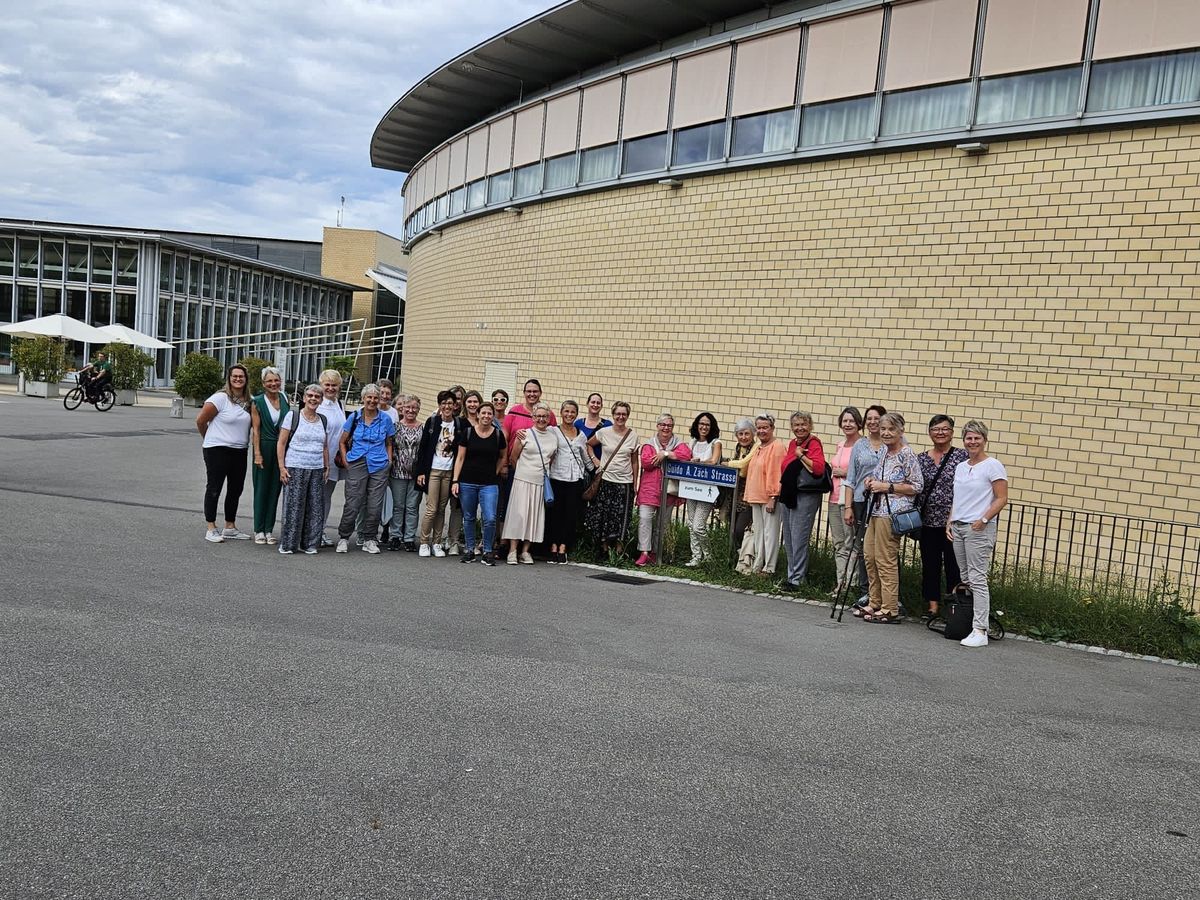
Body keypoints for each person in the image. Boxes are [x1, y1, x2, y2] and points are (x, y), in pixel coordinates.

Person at [856, 413, 923, 624]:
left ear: (901, 431)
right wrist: (871, 480)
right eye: (883, 429)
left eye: (891, 429)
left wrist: (888, 487)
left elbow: (917, 486)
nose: (886, 433)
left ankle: (890, 608)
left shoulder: (907, 454)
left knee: (885, 560)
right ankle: (874, 602)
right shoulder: (884, 451)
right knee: (870, 555)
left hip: (893, 512)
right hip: (876, 509)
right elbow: (878, 475)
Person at [947, 421, 1009, 648]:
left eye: (977, 438)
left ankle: (980, 629)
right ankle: (968, 621)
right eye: (968, 438)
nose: (972, 442)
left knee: (977, 578)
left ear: (984, 439)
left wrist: (983, 520)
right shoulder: (961, 466)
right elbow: (958, 497)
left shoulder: (993, 466)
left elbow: (1001, 497)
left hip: (978, 528)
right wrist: (950, 521)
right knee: (965, 577)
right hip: (959, 526)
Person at [917, 415, 969, 619]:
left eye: (945, 429)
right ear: (929, 432)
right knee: (930, 564)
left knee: (954, 565)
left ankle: (954, 605)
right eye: (935, 429)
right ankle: (932, 606)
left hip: (954, 520)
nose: (940, 432)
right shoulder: (921, 458)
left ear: (952, 432)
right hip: (928, 520)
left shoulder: (962, 457)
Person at [195, 364, 253, 543]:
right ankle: (211, 527)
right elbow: (201, 421)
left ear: (246, 379)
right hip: (217, 450)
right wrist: (210, 439)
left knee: (236, 489)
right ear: (229, 379)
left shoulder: (248, 401)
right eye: (234, 376)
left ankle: (230, 526)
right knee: (214, 487)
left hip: (240, 450)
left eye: (241, 376)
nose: (238, 379)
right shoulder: (220, 398)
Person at [335, 383, 395, 554]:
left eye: (375, 398)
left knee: (375, 505)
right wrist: (346, 460)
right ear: (363, 399)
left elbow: (389, 442)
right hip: (357, 462)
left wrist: (389, 461)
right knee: (353, 503)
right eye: (369, 397)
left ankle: (369, 538)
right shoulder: (354, 417)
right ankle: (344, 537)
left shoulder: (385, 419)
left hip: (379, 464)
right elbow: (342, 441)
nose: (372, 400)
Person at [841, 404, 887, 606]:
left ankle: (886, 594)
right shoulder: (860, 444)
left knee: (883, 550)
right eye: (869, 418)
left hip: (885, 503)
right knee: (863, 548)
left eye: (877, 418)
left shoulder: (892, 443)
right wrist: (848, 506)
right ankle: (865, 590)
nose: (873, 422)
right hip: (861, 501)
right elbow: (851, 478)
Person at [501, 402, 558, 564]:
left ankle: (525, 551)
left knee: (534, 517)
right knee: (518, 516)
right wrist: (524, 471)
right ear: (533, 417)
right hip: (522, 480)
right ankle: (512, 550)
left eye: (545, 416)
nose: (541, 419)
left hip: (540, 482)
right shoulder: (524, 434)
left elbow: (551, 458)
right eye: (538, 416)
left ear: (549, 418)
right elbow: (513, 457)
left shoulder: (553, 436)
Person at [451, 401, 506, 565]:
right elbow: (460, 458)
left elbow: (503, 456)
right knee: (468, 517)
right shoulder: (467, 433)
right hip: (467, 482)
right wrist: (455, 480)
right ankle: (469, 550)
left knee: (489, 517)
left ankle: (488, 551)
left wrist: (495, 472)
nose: (486, 416)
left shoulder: (497, 435)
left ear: (492, 416)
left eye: (490, 413)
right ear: (478, 414)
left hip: (489, 484)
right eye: (484, 413)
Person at [276, 384, 329, 555]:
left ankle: (310, 544)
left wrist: (326, 466)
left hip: (317, 468)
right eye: (310, 396)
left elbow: (325, 446)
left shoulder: (323, 419)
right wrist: (281, 467)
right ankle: (288, 544)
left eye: (317, 396)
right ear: (304, 398)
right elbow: (282, 442)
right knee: (294, 507)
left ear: (321, 400)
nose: (313, 399)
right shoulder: (293, 416)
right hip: (295, 466)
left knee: (315, 508)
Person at [634, 413, 692, 567]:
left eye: (669, 425)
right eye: (663, 425)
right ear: (657, 426)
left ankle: (655, 553)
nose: (666, 428)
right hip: (649, 489)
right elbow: (647, 461)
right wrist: (669, 458)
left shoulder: (678, 443)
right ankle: (644, 552)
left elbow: (686, 455)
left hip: (669, 491)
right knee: (644, 519)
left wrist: (665, 454)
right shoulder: (649, 444)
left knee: (662, 523)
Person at [778, 412, 826, 590]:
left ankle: (798, 579)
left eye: (803, 424)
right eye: (796, 425)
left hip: (805, 496)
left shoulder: (813, 443)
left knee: (799, 537)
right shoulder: (793, 443)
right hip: (789, 494)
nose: (800, 428)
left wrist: (800, 455)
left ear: (810, 426)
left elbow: (819, 469)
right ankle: (792, 576)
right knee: (789, 538)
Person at [415, 390, 466, 557]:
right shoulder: (432, 422)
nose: (447, 406)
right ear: (439, 405)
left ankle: (436, 543)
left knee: (442, 509)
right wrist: (421, 472)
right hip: (434, 470)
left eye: (450, 403)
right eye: (443, 403)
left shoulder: (459, 424)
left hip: (449, 471)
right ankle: (424, 542)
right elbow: (422, 449)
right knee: (431, 508)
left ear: (455, 405)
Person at [584, 401, 639, 556]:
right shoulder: (604, 432)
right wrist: (595, 460)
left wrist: (636, 483)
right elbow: (589, 444)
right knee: (605, 515)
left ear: (627, 416)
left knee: (622, 517)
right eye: (618, 414)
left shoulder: (633, 436)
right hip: (606, 479)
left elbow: (635, 461)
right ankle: (604, 548)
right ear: (613, 415)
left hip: (625, 482)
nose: (620, 417)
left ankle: (619, 549)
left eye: (624, 414)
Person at [738, 414, 787, 576]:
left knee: (770, 534)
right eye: (759, 427)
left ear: (772, 428)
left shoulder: (777, 447)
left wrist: (774, 497)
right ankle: (758, 563)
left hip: (769, 498)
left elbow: (776, 474)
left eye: (765, 427)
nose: (761, 431)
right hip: (755, 496)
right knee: (759, 533)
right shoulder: (759, 447)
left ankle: (770, 567)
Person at [249, 366, 290, 544]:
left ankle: (268, 529)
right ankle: (258, 529)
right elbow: (256, 430)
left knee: (275, 489)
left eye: (276, 380)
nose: (273, 384)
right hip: (264, 446)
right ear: (263, 383)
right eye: (269, 381)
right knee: (261, 489)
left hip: (282, 449)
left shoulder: (284, 398)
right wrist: (257, 453)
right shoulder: (257, 401)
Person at [547, 400, 590, 564]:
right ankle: (553, 546)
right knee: (554, 515)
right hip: (556, 478)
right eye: (566, 411)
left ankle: (563, 548)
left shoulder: (581, 434)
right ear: (561, 412)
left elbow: (586, 459)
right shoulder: (553, 431)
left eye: (572, 412)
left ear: (576, 415)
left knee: (570, 516)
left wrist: (599, 468)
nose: (569, 415)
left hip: (575, 480)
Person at [827, 407, 863, 597]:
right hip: (834, 497)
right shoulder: (840, 445)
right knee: (839, 543)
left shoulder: (862, 445)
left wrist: (845, 473)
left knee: (851, 543)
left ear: (859, 424)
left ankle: (851, 583)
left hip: (849, 500)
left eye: (852, 421)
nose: (848, 424)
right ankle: (840, 583)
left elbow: (864, 473)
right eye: (845, 421)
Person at [683, 412, 723, 567]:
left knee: (699, 525)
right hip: (691, 487)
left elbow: (714, 460)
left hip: (707, 489)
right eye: (701, 424)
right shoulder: (692, 442)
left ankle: (708, 556)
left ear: (711, 426)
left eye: (707, 424)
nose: (704, 427)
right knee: (691, 523)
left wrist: (699, 462)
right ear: (696, 425)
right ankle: (696, 557)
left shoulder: (715, 442)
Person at [387, 395, 423, 552]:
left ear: (418, 409)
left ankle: (409, 537)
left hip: (416, 474)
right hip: (397, 472)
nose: (410, 410)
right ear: (401, 409)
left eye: (414, 407)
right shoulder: (395, 427)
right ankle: (395, 536)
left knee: (412, 507)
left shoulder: (423, 427)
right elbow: (389, 446)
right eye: (407, 407)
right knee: (398, 506)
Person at [317, 370, 348, 547]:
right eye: (327, 384)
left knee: (326, 497)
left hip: (335, 459)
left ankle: (320, 530)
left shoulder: (339, 404)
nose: (330, 388)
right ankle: (312, 531)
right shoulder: (317, 404)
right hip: (319, 459)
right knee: (315, 497)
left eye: (334, 385)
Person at [723, 418, 757, 550]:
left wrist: (728, 464)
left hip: (747, 497)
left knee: (739, 530)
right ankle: (733, 559)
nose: (743, 437)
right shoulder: (739, 448)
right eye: (740, 434)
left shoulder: (755, 447)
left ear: (753, 434)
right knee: (731, 528)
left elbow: (742, 469)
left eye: (747, 433)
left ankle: (743, 558)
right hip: (735, 495)